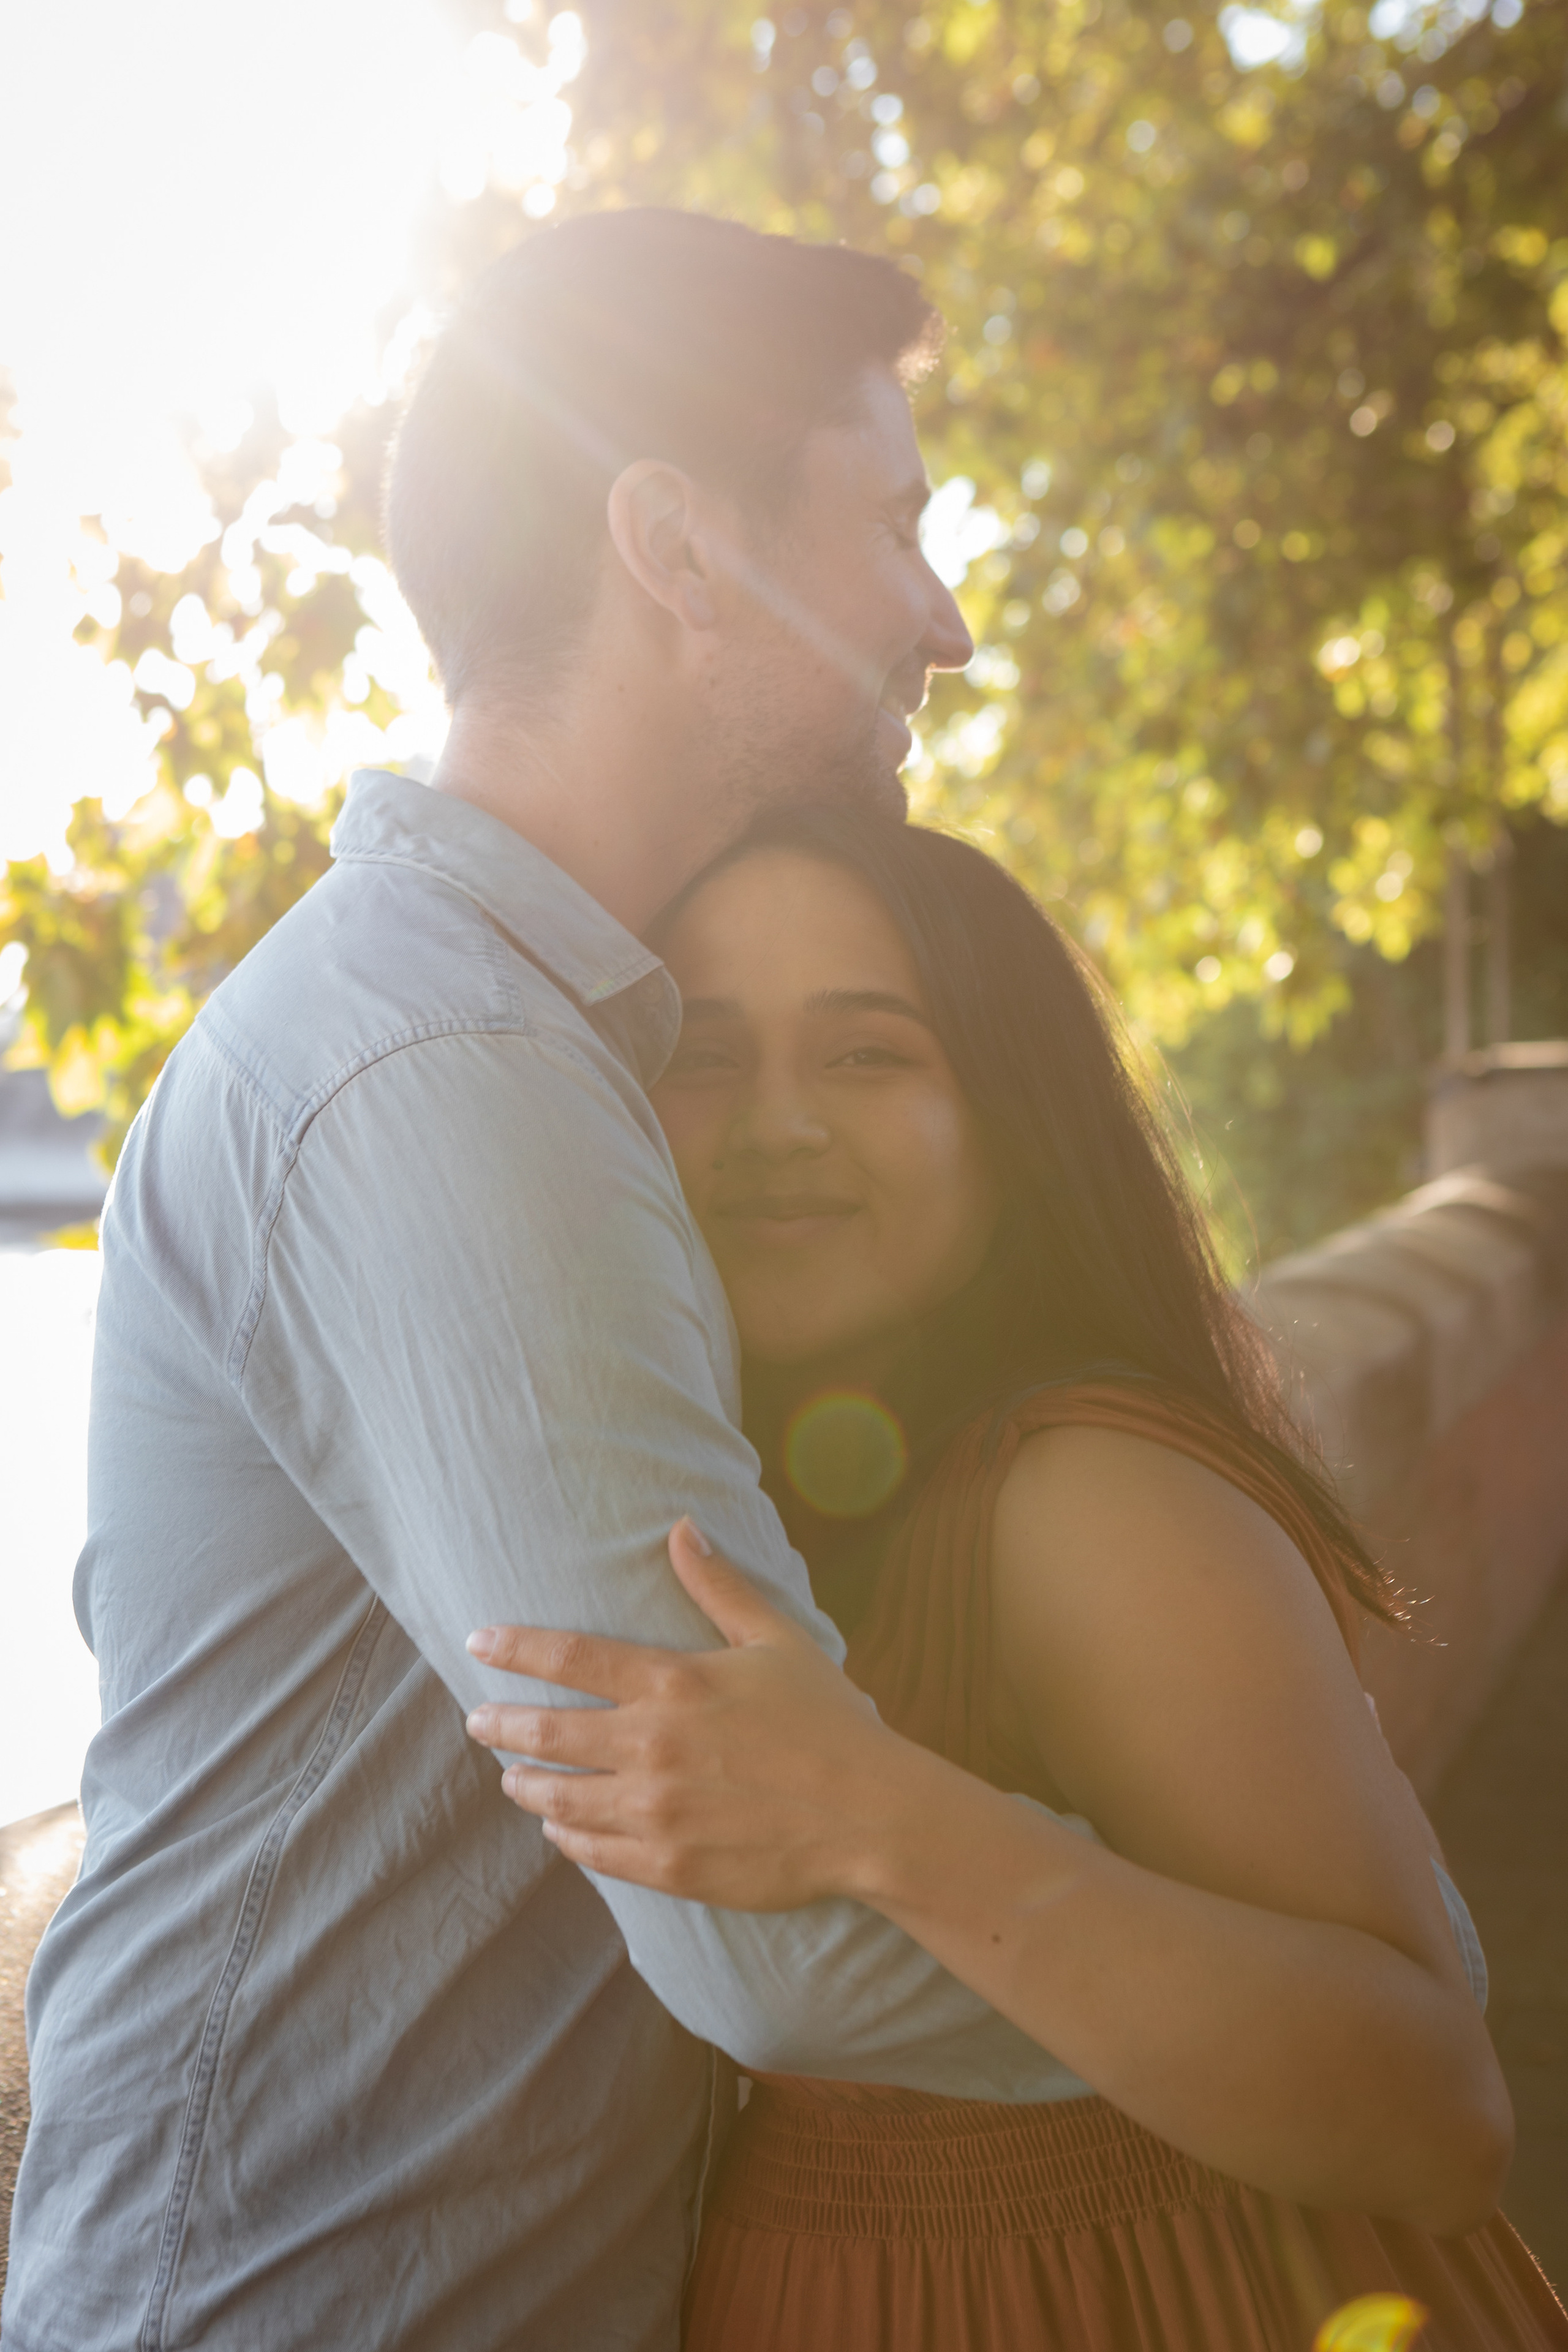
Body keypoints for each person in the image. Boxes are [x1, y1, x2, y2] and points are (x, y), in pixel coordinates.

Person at [1, 214, 1087, 2352]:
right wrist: (1313, 2001)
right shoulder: (452, 1071)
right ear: (678, 548)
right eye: (894, 524)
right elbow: (758, 1939)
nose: (946, 624)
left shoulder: (553, 1049)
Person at [467, 806, 1568, 2351]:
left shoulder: (1084, 1493)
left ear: (1009, 1118)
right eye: (704, 1059)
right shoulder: (749, 1491)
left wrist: (870, 1812)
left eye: (868, 1055)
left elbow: (1434, 2116)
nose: (777, 1123)